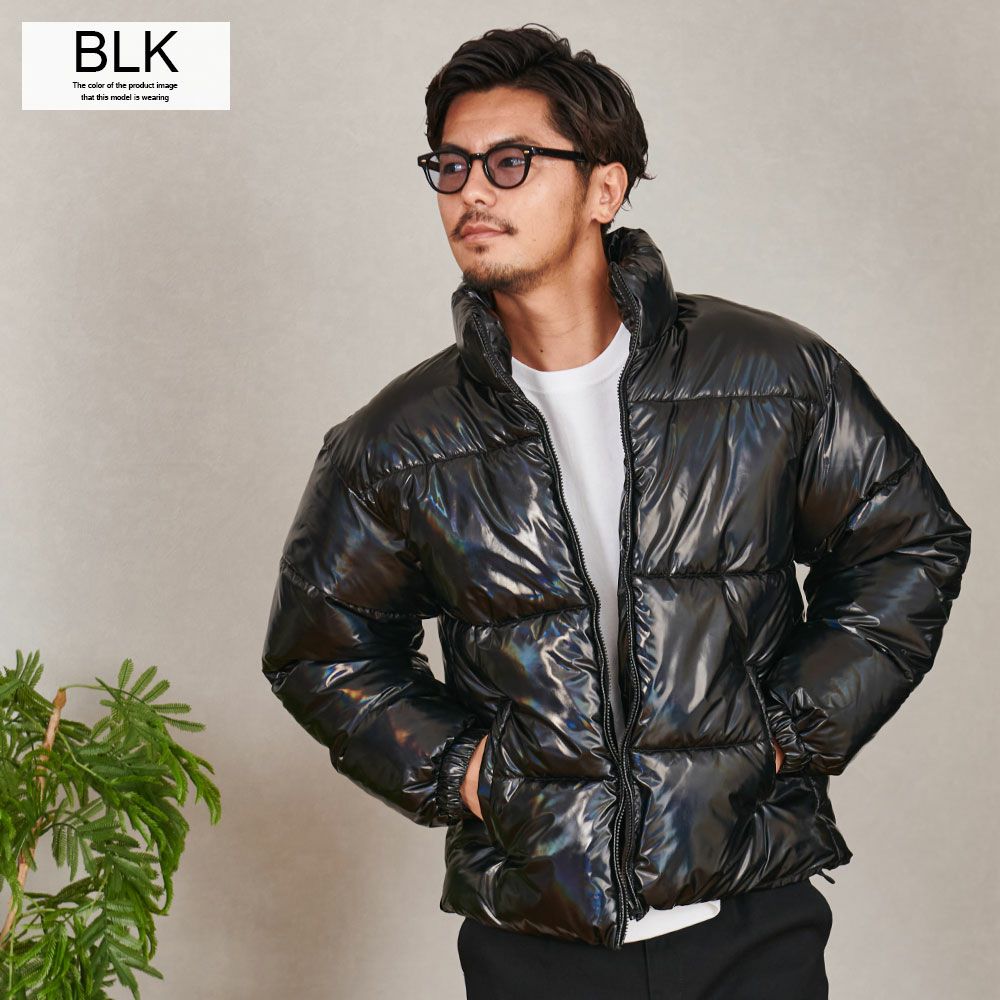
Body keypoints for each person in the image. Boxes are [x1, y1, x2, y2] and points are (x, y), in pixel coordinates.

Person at [260, 23, 972, 999]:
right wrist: (471, 772)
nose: (472, 192)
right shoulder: (396, 442)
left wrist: (783, 732)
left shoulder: (770, 377)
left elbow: (908, 544)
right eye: (451, 166)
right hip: (533, 935)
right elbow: (319, 651)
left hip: (749, 912)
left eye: (511, 162)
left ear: (605, 187)